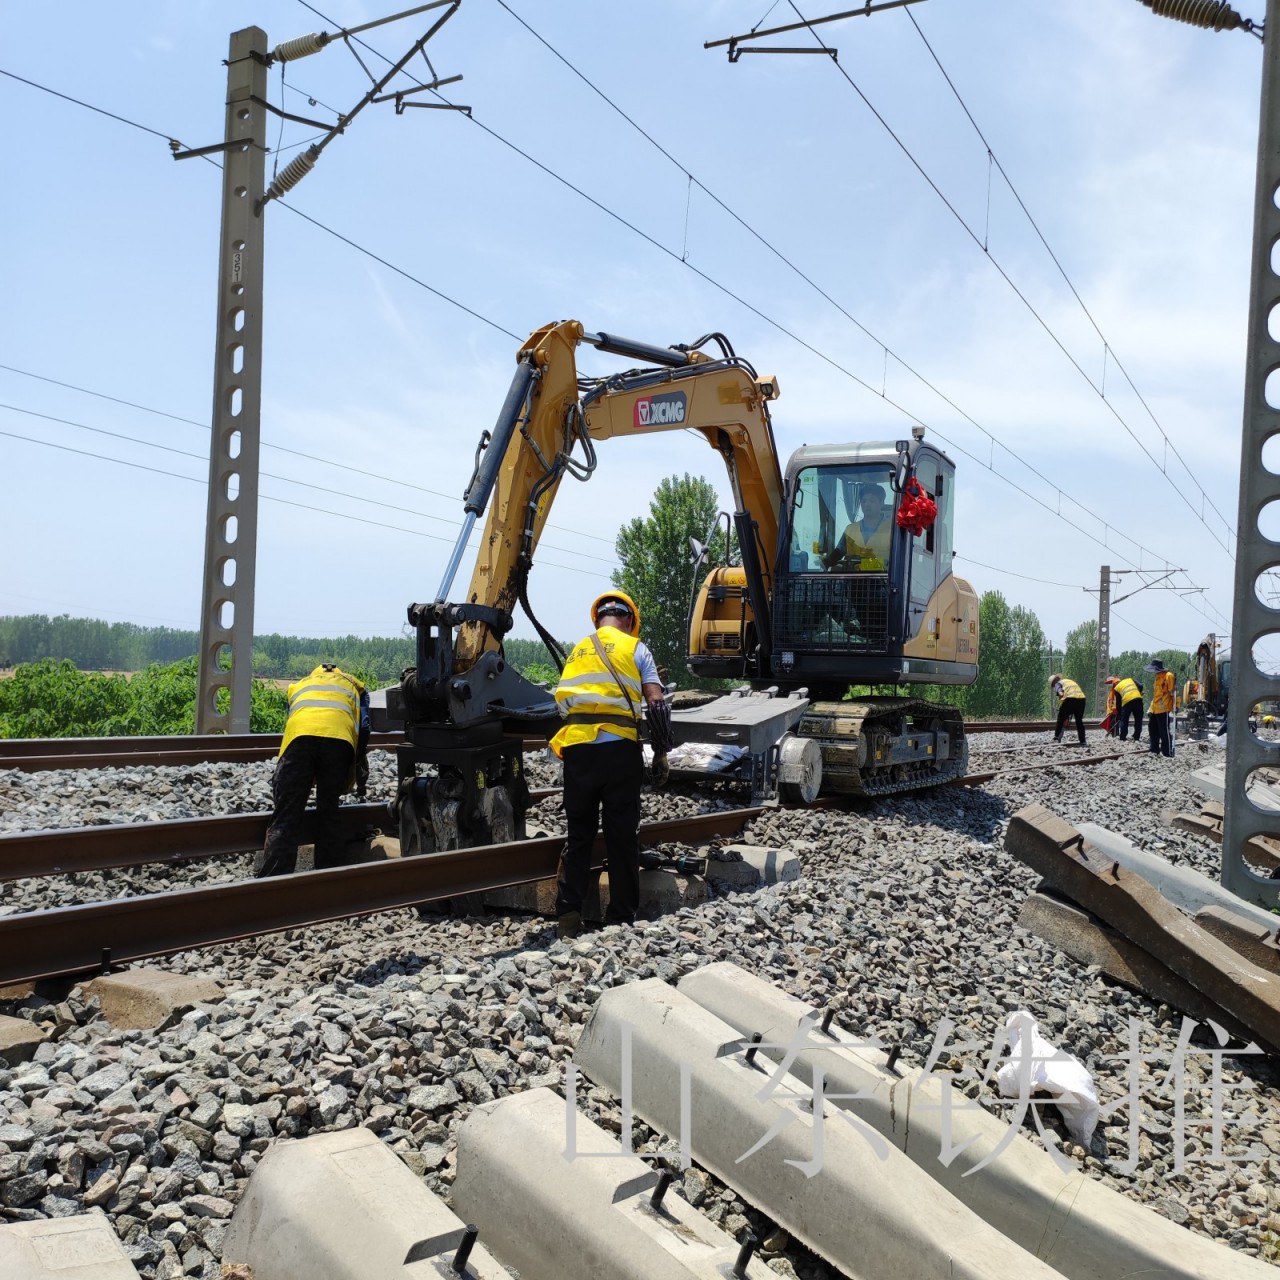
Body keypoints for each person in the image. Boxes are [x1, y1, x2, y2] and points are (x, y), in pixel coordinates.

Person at [550, 591, 671, 940]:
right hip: (619, 751)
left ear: (598, 619)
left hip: (577, 751)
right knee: (621, 838)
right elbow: (657, 705)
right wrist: (661, 753)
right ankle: (620, 920)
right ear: (630, 621)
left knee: (579, 836)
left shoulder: (578, 650)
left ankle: (569, 919)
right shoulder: (637, 649)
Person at [258, 662, 370, 877]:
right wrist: (357, 765)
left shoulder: (299, 685)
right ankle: (326, 877)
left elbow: (294, 723)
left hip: (299, 740)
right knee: (329, 810)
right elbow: (364, 728)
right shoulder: (356, 687)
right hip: (339, 743)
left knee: (287, 812)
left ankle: (274, 878)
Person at [822, 483, 893, 572]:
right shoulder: (850, 529)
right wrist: (825, 563)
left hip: (882, 582)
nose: (867, 504)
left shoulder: (892, 529)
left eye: (872, 501)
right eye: (863, 501)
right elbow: (839, 552)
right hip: (853, 582)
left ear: (881, 503)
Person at [1145, 659, 1176, 758]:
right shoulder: (1157, 677)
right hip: (1155, 709)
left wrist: (1176, 705)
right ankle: (1154, 750)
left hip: (1163, 709)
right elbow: (1156, 695)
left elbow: (1174, 693)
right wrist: (1150, 708)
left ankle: (1167, 753)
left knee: (1164, 731)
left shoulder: (1169, 676)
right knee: (1152, 729)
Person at [1049, 672, 1087, 745]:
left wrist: (1061, 694)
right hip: (1082, 699)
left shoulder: (1058, 684)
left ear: (1054, 682)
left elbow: (1060, 692)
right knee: (1079, 721)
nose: (1054, 687)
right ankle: (1083, 741)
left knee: (1061, 718)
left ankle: (1056, 737)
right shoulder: (1068, 681)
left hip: (1070, 699)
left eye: (1053, 685)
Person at [1105, 674, 1144, 743]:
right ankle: (1136, 737)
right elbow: (1141, 686)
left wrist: (1119, 713)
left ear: (1115, 684)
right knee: (1138, 720)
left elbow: (1118, 702)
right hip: (1138, 700)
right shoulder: (1130, 679)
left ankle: (1123, 737)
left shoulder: (1117, 688)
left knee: (1124, 720)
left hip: (1127, 702)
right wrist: (1139, 693)